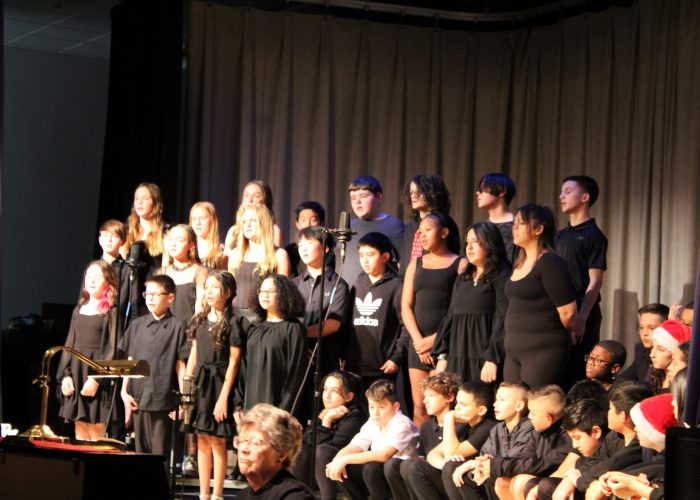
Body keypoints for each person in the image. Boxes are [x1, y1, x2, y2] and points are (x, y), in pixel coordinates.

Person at [504, 204, 577, 388]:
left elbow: (568, 313)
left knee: (536, 407)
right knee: (513, 407)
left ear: (538, 229)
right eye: (514, 224)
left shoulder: (550, 262)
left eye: (520, 223)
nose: (515, 228)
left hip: (542, 349)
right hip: (513, 350)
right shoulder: (519, 263)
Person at [402, 212, 465, 425]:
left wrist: (434, 341)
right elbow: (406, 307)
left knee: (443, 407)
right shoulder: (416, 264)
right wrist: (419, 342)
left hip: (445, 344)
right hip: (418, 346)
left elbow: (461, 311)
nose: (422, 235)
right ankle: (418, 456)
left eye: (428, 229)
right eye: (420, 231)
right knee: (420, 406)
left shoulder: (460, 264)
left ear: (444, 233)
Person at [185, 271, 243, 500]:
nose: (209, 292)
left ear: (227, 293)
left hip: (220, 383)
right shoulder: (199, 319)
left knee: (218, 440)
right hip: (200, 383)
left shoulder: (234, 322)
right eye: (206, 287)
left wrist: (223, 399)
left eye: (215, 287)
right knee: (201, 438)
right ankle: (203, 494)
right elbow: (193, 355)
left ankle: (217, 494)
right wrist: (186, 389)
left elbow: (234, 362)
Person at [433, 222, 510, 383]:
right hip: (458, 357)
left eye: (475, 241)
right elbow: (451, 317)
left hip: (483, 359)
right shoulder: (463, 278)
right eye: (467, 242)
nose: (469, 247)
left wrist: (492, 358)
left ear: (490, 243)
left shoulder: (501, 276)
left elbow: (503, 319)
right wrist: (443, 356)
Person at [120, 275, 189, 455]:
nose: (150, 299)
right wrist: (123, 391)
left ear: (170, 298)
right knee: (140, 451)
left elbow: (180, 365)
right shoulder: (137, 325)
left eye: (155, 295)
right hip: (138, 397)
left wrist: (183, 400)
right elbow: (131, 360)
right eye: (147, 294)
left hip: (163, 398)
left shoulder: (178, 326)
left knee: (159, 453)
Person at [471, 385, 571, 500]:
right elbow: (524, 456)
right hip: (540, 476)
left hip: (557, 481)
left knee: (521, 481)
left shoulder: (567, 436)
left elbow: (543, 465)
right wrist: (494, 462)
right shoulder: (539, 431)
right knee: (502, 481)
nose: (529, 416)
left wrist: (498, 466)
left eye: (533, 413)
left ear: (548, 419)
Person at [57, 260, 120, 441]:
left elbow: (114, 349)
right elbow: (69, 344)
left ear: (108, 282)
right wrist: (66, 375)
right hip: (77, 372)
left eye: (98, 277)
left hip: (96, 373)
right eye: (89, 276)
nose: (91, 281)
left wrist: (96, 378)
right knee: (80, 429)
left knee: (96, 432)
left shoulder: (111, 312)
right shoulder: (79, 309)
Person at [326, 379, 420, 500]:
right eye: (371, 407)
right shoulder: (373, 421)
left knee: (372, 467)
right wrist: (337, 461)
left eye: (381, 407)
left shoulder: (402, 423)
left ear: (395, 407)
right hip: (380, 473)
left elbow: (384, 455)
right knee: (344, 466)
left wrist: (345, 459)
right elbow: (354, 447)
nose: (375, 413)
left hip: (400, 477)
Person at [556, 175, 608, 385]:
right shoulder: (559, 236)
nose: (562, 196)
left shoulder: (594, 235)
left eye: (568, 192)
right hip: (560, 311)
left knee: (576, 372)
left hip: (581, 313)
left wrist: (581, 319)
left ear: (585, 197)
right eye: (561, 192)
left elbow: (595, 281)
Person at [445, 381, 533, 500]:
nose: (495, 404)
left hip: (511, 482)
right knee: (461, 471)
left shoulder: (530, 427)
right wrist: (476, 464)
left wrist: (478, 464)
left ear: (519, 406)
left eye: (502, 400)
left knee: (492, 475)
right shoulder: (498, 428)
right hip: (492, 480)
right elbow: (484, 456)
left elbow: (514, 461)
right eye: (496, 400)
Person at [384, 372, 465, 500]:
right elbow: (423, 457)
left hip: (453, 479)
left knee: (414, 467)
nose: (425, 401)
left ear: (449, 397)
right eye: (424, 396)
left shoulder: (463, 425)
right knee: (393, 465)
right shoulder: (427, 426)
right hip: (430, 477)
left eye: (431, 396)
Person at [345, 232, 406, 391]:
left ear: (385, 256)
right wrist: (343, 354)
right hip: (354, 364)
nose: (365, 260)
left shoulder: (396, 285)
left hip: (382, 367)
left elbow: (405, 325)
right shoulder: (358, 282)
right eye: (361, 255)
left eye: (370, 255)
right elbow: (347, 321)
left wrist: (396, 357)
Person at [293, 370, 366, 500]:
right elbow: (307, 440)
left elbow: (329, 450)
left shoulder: (355, 417)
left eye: (334, 391)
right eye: (325, 389)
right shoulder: (324, 412)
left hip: (344, 474)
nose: (327, 396)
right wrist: (325, 419)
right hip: (318, 474)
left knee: (322, 451)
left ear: (349, 397)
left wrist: (327, 421)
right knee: (301, 449)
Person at [420, 381, 497, 498]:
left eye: (463, 405)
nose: (456, 408)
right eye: (457, 403)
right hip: (456, 480)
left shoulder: (488, 427)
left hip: (480, 484)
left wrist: (448, 418)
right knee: (413, 466)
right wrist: (445, 464)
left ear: (481, 410)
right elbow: (433, 454)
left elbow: (452, 453)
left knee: (451, 467)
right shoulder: (464, 425)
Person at [244, 274, 307, 415]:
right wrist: (238, 405)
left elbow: (296, 375)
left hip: (277, 408)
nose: (264, 295)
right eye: (262, 291)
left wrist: (282, 410)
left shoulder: (293, 329)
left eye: (270, 291)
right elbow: (244, 368)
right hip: (251, 405)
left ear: (284, 294)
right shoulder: (255, 328)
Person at [292, 226, 350, 376]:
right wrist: (298, 342)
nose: (303, 249)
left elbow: (332, 324)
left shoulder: (338, 284)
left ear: (325, 248)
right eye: (301, 246)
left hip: (324, 357)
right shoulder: (293, 283)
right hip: (296, 352)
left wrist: (299, 334)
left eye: (309, 244)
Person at [526, 398, 608, 499]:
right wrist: (568, 478)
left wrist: (574, 480)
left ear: (596, 432)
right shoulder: (584, 456)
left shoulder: (610, 449)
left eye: (577, 438)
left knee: (547, 486)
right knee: (532, 484)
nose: (575, 445)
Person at [235, 403, 315, 499]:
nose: (244, 449)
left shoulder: (296, 496)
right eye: (241, 441)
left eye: (255, 443)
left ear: (281, 454)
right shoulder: (241, 496)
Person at [227, 204, 290, 321]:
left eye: (253, 221)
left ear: (263, 223)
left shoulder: (279, 255)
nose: (248, 225)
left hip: (264, 318)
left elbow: (282, 295)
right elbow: (229, 289)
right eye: (244, 222)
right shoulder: (235, 254)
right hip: (236, 317)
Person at [339, 176, 404, 286]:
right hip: (347, 295)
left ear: (378, 197)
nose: (358, 202)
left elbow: (403, 264)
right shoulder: (348, 226)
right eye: (353, 198)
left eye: (363, 196)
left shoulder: (393, 226)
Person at [399, 173, 461, 273]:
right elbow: (404, 264)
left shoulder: (446, 224)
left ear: (432, 193)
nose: (413, 197)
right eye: (411, 193)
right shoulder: (410, 227)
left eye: (419, 192)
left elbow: (451, 261)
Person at [158, 224, 208, 323]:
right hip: (165, 330)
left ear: (191, 245)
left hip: (189, 330)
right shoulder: (162, 272)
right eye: (171, 239)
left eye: (180, 240)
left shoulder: (199, 272)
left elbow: (200, 309)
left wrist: (193, 332)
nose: (173, 244)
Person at [96, 219, 138, 324]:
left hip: (116, 323)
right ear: (100, 239)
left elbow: (134, 303)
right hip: (94, 320)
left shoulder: (128, 269)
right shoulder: (94, 268)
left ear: (123, 241)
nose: (109, 240)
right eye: (105, 235)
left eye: (114, 236)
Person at [225, 180, 284, 249]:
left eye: (256, 196)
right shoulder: (233, 231)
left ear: (266, 201)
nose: (250, 200)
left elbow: (273, 257)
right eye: (246, 195)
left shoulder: (273, 230)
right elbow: (227, 257)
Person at [618, 303, 669, 382]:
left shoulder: (671, 359)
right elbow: (624, 379)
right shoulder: (642, 352)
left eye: (651, 328)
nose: (644, 333)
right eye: (641, 327)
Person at [121, 182, 165, 273]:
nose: (139, 202)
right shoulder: (126, 230)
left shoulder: (165, 232)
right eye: (136, 198)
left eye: (145, 198)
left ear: (156, 203)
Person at [475, 173, 517, 263]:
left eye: (482, 189)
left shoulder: (518, 226)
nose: (477, 193)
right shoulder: (482, 228)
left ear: (502, 191)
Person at [286, 200, 328, 277]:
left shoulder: (330, 248)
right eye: (303, 220)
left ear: (322, 223)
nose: (308, 224)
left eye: (313, 220)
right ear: (297, 224)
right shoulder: (291, 251)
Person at [649, 319, 692, 393]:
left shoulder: (682, 385)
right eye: (652, 347)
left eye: (660, 349)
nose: (652, 354)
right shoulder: (657, 375)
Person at [189, 201, 227, 270]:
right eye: (194, 219)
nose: (198, 223)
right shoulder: (186, 249)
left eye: (202, 218)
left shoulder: (221, 252)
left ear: (212, 221)